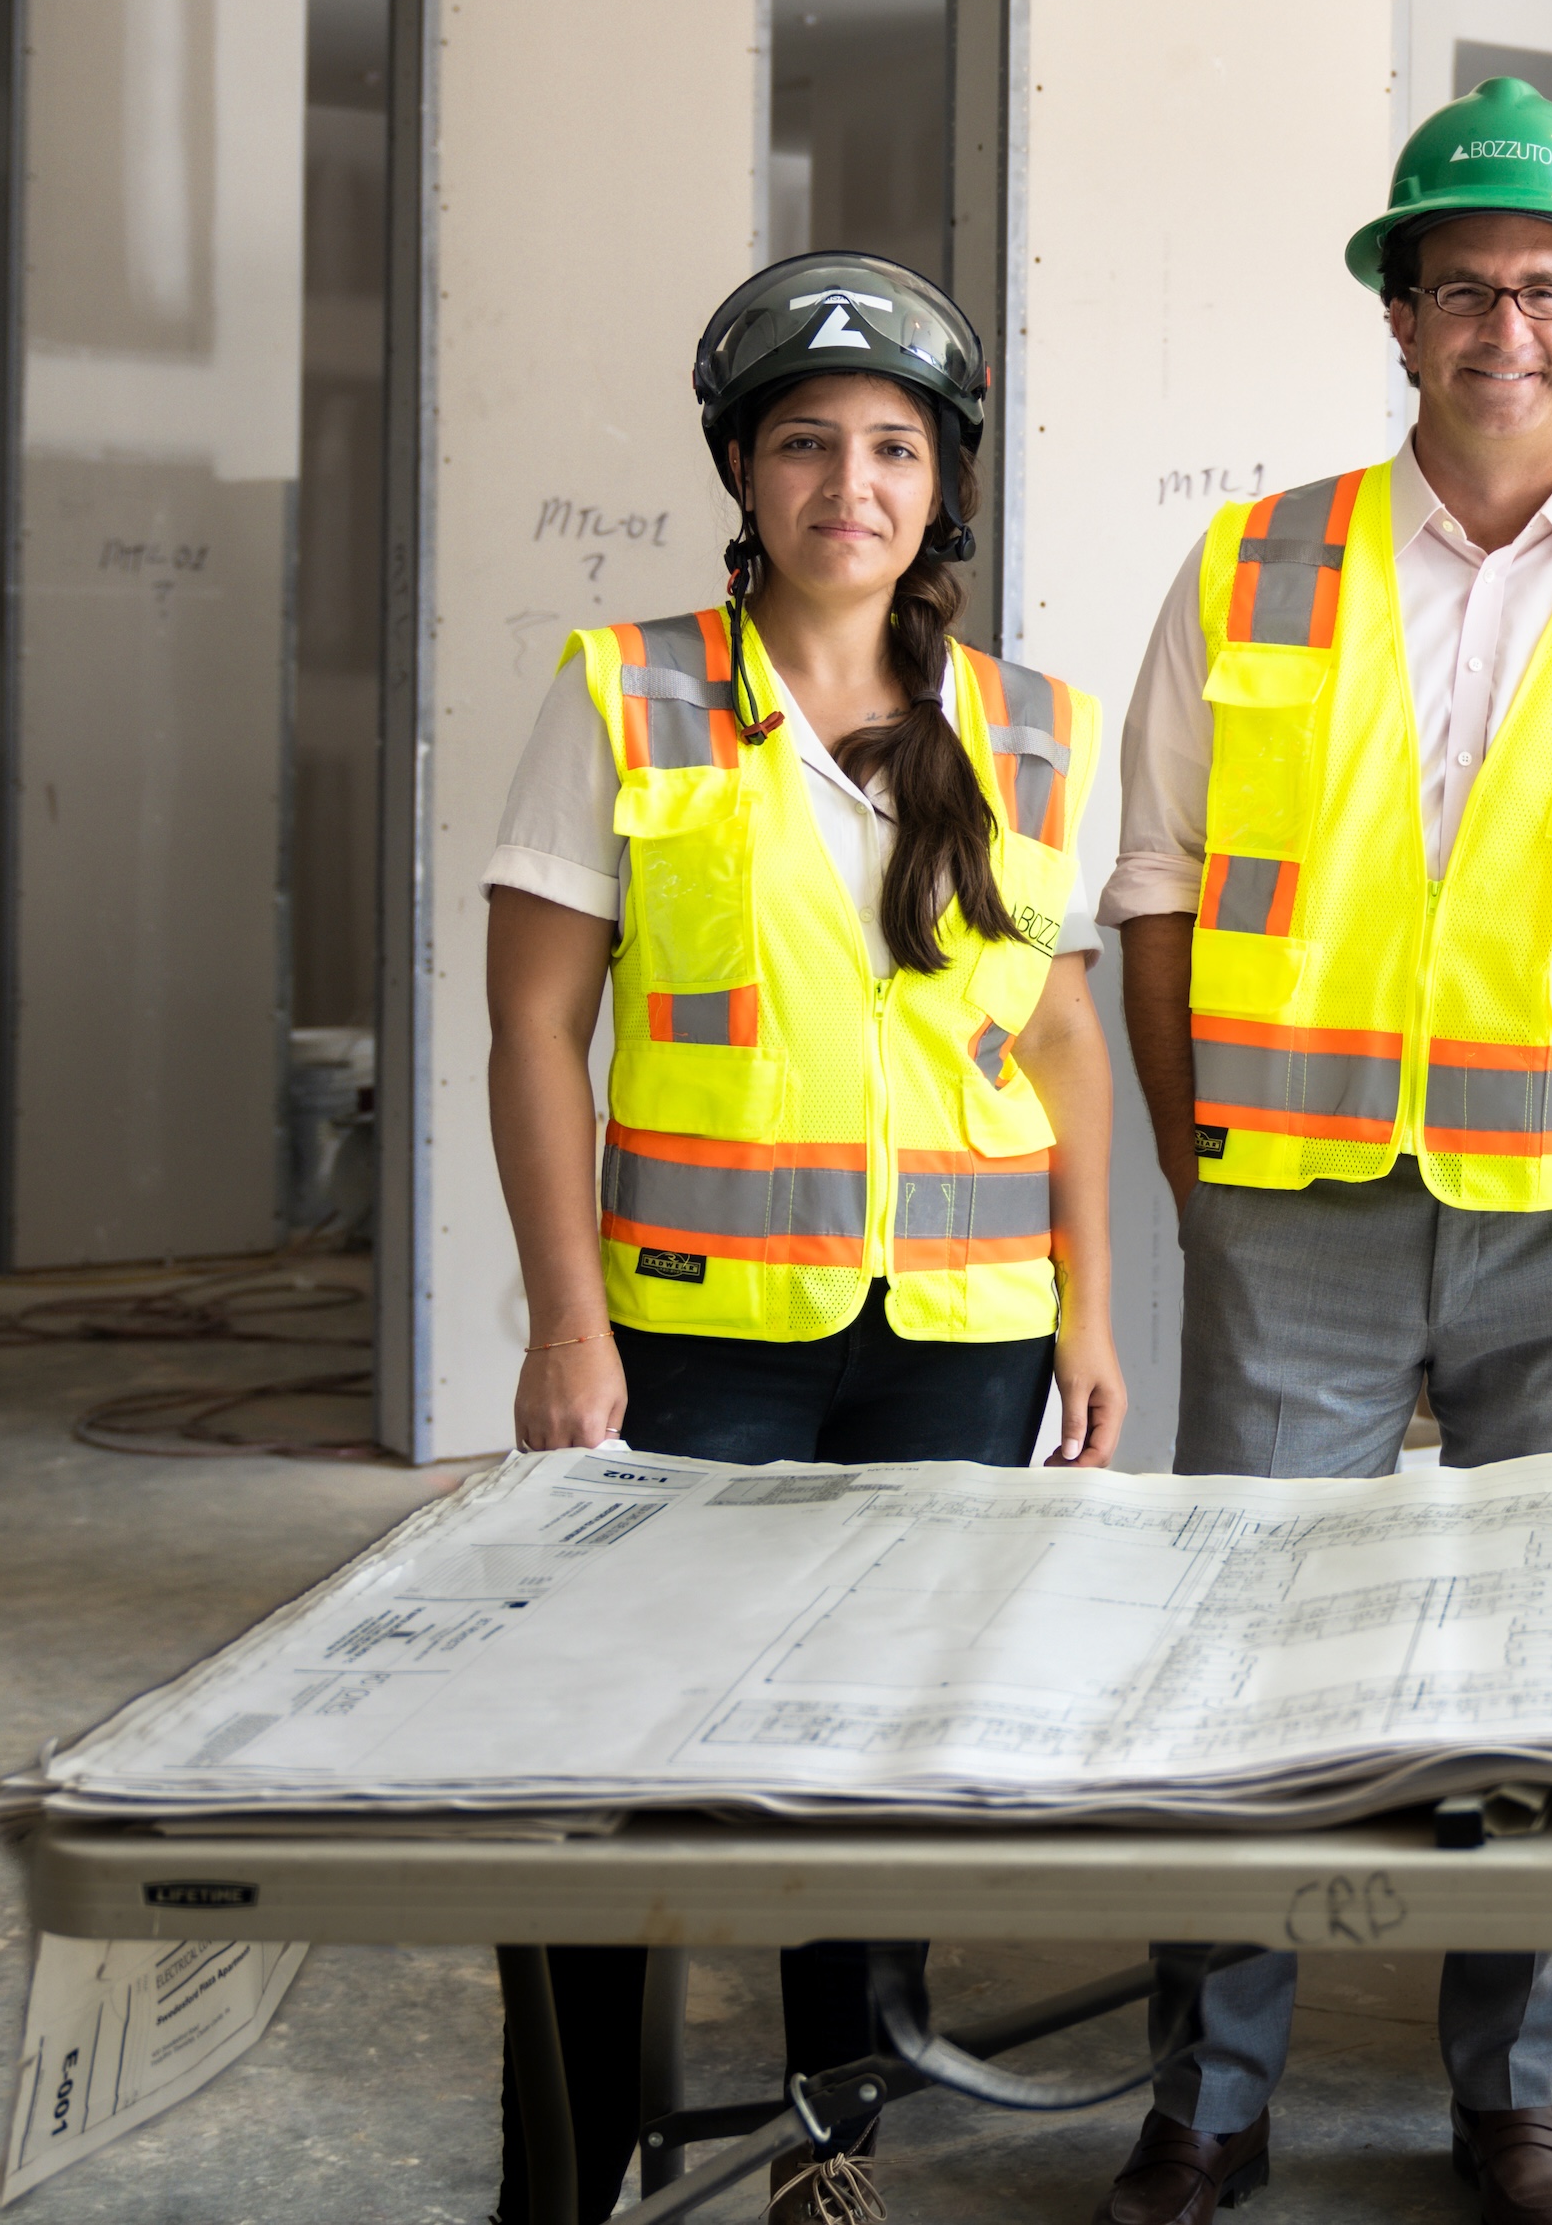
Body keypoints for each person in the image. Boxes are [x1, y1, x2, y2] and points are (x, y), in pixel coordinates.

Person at [1096, 77, 1552, 2225]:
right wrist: (1195, 1159)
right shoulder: (1252, 564)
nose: (1501, 324)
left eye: (1545, 288)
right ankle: (1207, 2102)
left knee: (1535, 1673)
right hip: (1294, 1213)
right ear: (1395, 323)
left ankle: (1506, 2094)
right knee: (1245, 1666)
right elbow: (1153, 884)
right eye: (1457, 287)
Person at [478, 251, 1123, 2225]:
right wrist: (561, 1324)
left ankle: (814, 2145)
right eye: (807, 445)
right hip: (692, 1335)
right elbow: (530, 1028)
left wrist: (1089, 1314)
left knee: (871, 1758)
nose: (853, 479)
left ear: (943, 487)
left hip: (959, 1333)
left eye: (895, 448)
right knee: (619, 1748)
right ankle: (576, 2162)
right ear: (742, 475)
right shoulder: (624, 693)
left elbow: (1062, 1044)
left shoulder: (1025, 729)